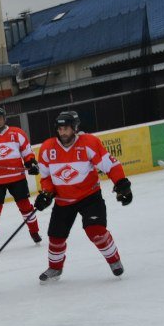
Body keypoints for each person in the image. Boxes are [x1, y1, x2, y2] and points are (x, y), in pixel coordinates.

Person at [34, 110, 131, 282]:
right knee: (56, 236)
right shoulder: (47, 148)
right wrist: (47, 194)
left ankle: (114, 260)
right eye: (60, 129)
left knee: (96, 231)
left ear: (75, 128)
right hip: (63, 201)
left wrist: (122, 184)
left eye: (66, 128)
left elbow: (110, 165)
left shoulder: (89, 143)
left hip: (89, 196)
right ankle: (55, 268)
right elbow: (46, 177)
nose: (63, 132)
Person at [0, 106, 42, 249]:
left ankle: (34, 232)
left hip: (17, 178)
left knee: (25, 206)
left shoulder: (17, 133)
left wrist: (30, 163)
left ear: (4, 119)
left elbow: (27, 152)